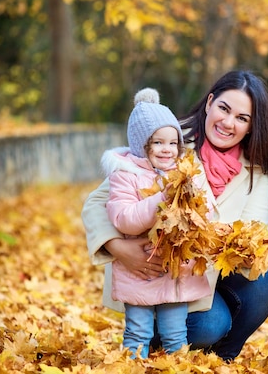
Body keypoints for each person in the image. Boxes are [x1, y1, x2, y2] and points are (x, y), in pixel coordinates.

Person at [82, 70, 268, 360]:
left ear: (252, 126)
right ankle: (153, 335)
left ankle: (220, 357)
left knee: (262, 282)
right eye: (224, 109)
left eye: (242, 118)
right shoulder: (168, 139)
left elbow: (252, 231)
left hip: (203, 271)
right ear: (210, 102)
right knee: (210, 324)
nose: (228, 123)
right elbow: (98, 201)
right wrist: (118, 247)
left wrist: (236, 243)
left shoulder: (256, 169)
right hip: (154, 269)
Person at [102, 88, 213, 358]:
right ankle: (131, 365)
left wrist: (193, 203)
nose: (167, 150)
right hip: (140, 272)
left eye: (173, 143)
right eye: (158, 143)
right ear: (142, 144)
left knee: (176, 334)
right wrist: (161, 200)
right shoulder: (125, 175)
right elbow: (123, 219)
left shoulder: (186, 173)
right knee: (138, 333)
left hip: (175, 270)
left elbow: (204, 211)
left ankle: (176, 366)